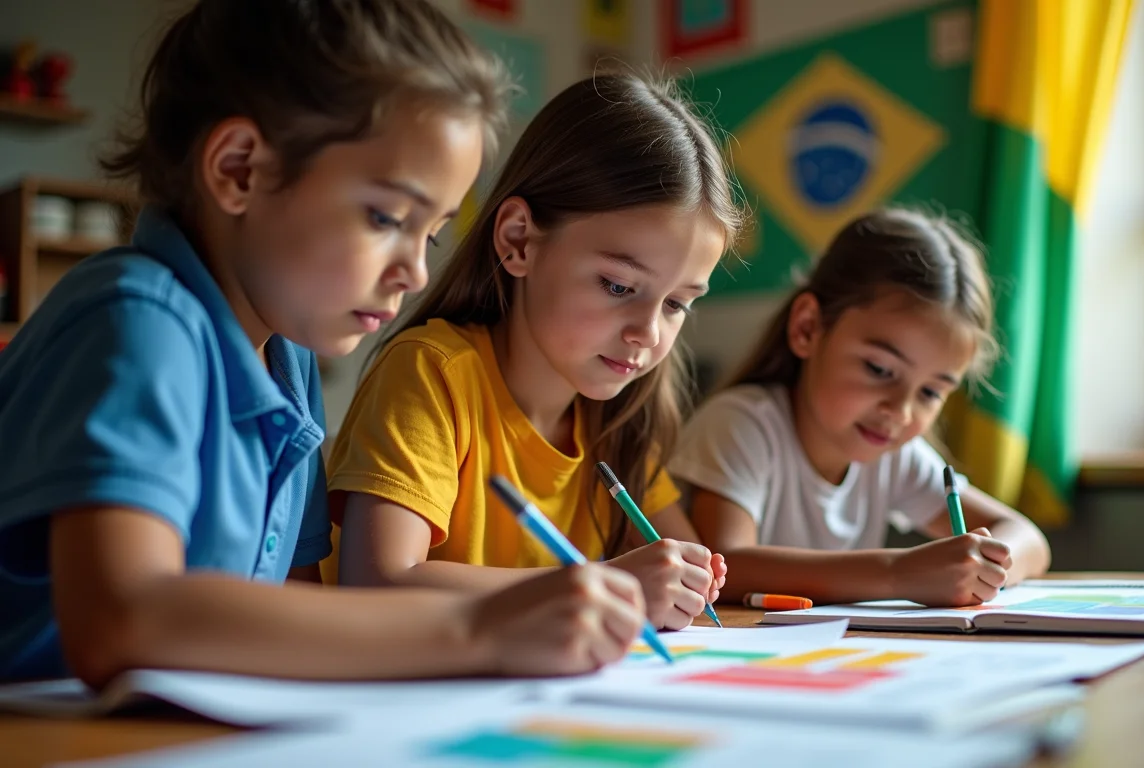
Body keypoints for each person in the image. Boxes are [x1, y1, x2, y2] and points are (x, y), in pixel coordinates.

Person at [0, 0, 647, 686]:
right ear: (240, 169)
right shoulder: (138, 321)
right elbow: (123, 620)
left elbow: (296, 606)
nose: (416, 270)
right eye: (385, 217)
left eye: (429, 234)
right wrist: (479, 628)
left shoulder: (286, 360)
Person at [328, 71, 740, 630]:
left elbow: (682, 573)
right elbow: (379, 578)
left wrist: (686, 581)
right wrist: (614, 584)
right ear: (519, 239)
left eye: (677, 304)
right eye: (618, 286)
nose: (647, 332)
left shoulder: (624, 414)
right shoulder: (434, 371)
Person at [671, 208, 1052, 608]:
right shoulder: (742, 424)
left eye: (930, 393)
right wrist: (898, 574)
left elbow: (1028, 540)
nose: (900, 411)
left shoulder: (895, 454)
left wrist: (984, 566)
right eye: (879, 369)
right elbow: (725, 567)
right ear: (808, 328)